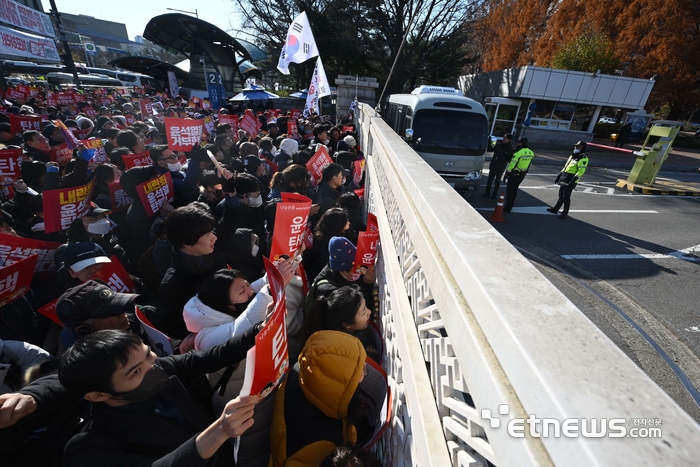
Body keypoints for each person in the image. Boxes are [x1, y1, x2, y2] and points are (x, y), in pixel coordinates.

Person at [57, 329, 259, 466]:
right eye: (135, 372)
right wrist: (219, 431)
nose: (152, 367)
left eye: (148, 354)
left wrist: (260, 329)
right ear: (98, 395)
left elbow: (215, 355)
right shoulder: (90, 446)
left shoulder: (160, 367)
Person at [269, 331, 367, 467]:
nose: (365, 374)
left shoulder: (304, 370)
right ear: (338, 386)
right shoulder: (321, 445)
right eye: (359, 373)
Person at [547, 141, 588, 219]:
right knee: (561, 195)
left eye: (578, 147)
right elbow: (566, 166)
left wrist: (573, 181)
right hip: (564, 177)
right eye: (575, 146)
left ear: (583, 148)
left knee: (566, 197)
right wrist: (559, 175)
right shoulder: (572, 156)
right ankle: (555, 209)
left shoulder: (583, 158)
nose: (575, 148)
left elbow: (581, 171)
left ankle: (565, 213)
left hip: (571, 179)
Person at [502, 137, 534, 213]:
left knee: (510, 191)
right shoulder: (531, 152)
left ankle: (507, 207)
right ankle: (511, 205)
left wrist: (507, 174)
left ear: (521, 143)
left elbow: (512, 164)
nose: (516, 143)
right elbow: (530, 164)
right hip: (522, 174)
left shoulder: (518, 152)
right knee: (515, 190)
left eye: (518, 142)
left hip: (514, 174)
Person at [482, 133, 514, 199]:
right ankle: (487, 193)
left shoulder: (510, 148)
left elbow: (510, 159)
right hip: (494, 164)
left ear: (509, 140)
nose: (503, 139)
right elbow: (491, 149)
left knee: (497, 181)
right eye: (504, 137)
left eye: (505, 138)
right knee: (489, 180)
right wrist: (488, 142)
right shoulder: (499, 144)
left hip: (501, 166)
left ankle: (494, 195)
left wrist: (506, 156)